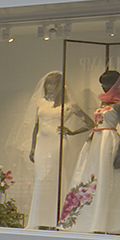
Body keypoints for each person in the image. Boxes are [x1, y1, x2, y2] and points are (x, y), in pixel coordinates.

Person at [66, 70, 120, 233]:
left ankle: (106, 221)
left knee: (106, 176)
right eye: (102, 84)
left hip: (108, 141)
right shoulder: (103, 103)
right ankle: (84, 218)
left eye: (107, 84)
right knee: (91, 175)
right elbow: (94, 123)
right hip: (95, 141)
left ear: (115, 85)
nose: (104, 87)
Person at [21, 71, 77, 229]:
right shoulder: (40, 103)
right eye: (48, 84)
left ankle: (57, 219)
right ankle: (40, 220)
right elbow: (36, 126)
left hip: (57, 143)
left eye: (53, 84)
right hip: (41, 143)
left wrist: (72, 132)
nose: (50, 87)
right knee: (41, 179)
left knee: (56, 178)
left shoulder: (68, 105)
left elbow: (89, 122)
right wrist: (32, 147)